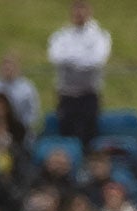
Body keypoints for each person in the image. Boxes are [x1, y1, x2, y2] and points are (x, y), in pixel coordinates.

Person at [48, 1, 112, 149]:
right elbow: (56, 57)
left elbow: (97, 60)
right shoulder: (61, 36)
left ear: (89, 11)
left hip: (88, 95)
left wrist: (71, 60)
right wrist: (83, 57)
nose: (79, 13)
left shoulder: (100, 36)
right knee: (66, 137)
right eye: (76, 9)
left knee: (89, 139)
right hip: (66, 95)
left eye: (82, 9)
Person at [0, 53, 41, 135]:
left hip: (20, 131)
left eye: (11, 66)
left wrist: (24, 128)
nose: (8, 69)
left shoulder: (27, 88)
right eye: (5, 66)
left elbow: (34, 113)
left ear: (18, 68)